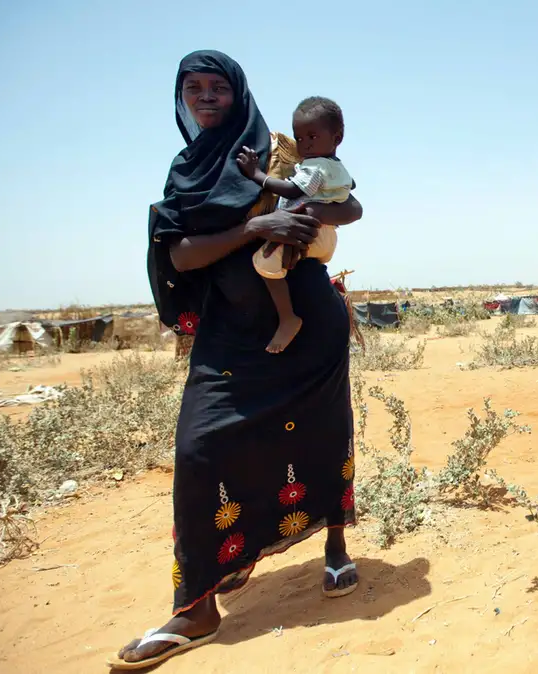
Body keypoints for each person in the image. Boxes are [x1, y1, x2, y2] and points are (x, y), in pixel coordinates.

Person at [111, 51, 365, 670]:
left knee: (322, 433)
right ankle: (196, 608)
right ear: (180, 99)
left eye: (217, 87)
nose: (205, 97)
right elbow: (180, 255)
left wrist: (304, 213)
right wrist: (255, 228)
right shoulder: (186, 171)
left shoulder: (278, 151)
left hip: (307, 327)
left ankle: (335, 548)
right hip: (228, 335)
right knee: (201, 449)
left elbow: (349, 206)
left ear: (239, 93)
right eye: (192, 88)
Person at [236, 96, 354, 353]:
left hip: (308, 232)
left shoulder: (314, 167)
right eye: (299, 138)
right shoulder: (338, 167)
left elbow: (292, 191)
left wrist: (257, 175)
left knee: (263, 263)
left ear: (337, 138)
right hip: (326, 237)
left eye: (312, 136)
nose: (305, 144)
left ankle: (287, 317)